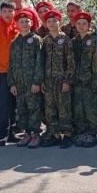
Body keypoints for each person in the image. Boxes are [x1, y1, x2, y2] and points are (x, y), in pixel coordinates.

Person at [8, 11, 44, 149]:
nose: (24, 24)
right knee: (22, 109)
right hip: (19, 83)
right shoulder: (15, 42)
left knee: (34, 108)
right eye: (21, 22)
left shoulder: (36, 40)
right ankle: (27, 133)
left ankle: (35, 134)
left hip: (31, 83)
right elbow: (11, 63)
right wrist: (12, 83)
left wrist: (36, 82)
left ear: (31, 23)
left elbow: (40, 62)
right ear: (17, 24)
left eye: (27, 21)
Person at [41, 9, 76, 148]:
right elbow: (42, 62)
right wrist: (42, 80)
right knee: (50, 108)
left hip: (62, 80)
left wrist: (67, 81)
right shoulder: (45, 40)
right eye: (49, 21)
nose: (51, 23)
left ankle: (67, 134)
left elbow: (71, 62)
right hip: (49, 81)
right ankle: (54, 134)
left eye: (54, 21)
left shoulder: (65, 39)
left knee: (64, 108)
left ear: (59, 22)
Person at [71, 11, 97, 148]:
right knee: (78, 108)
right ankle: (82, 132)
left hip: (90, 81)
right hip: (76, 81)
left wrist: (96, 82)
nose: (81, 26)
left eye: (84, 23)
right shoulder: (73, 41)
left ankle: (92, 133)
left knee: (91, 108)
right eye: (79, 23)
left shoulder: (94, 40)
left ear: (89, 25)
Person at [0, 1, 19, 145]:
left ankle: (12, 132)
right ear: (0, 13)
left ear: (14, 12)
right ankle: (2, 133)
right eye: (5, 11)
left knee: (14, 104)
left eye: (10, 11)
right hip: (2, 71)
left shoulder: (18, 27)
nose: (8, 14)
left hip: (17, 72)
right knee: (4, 103)